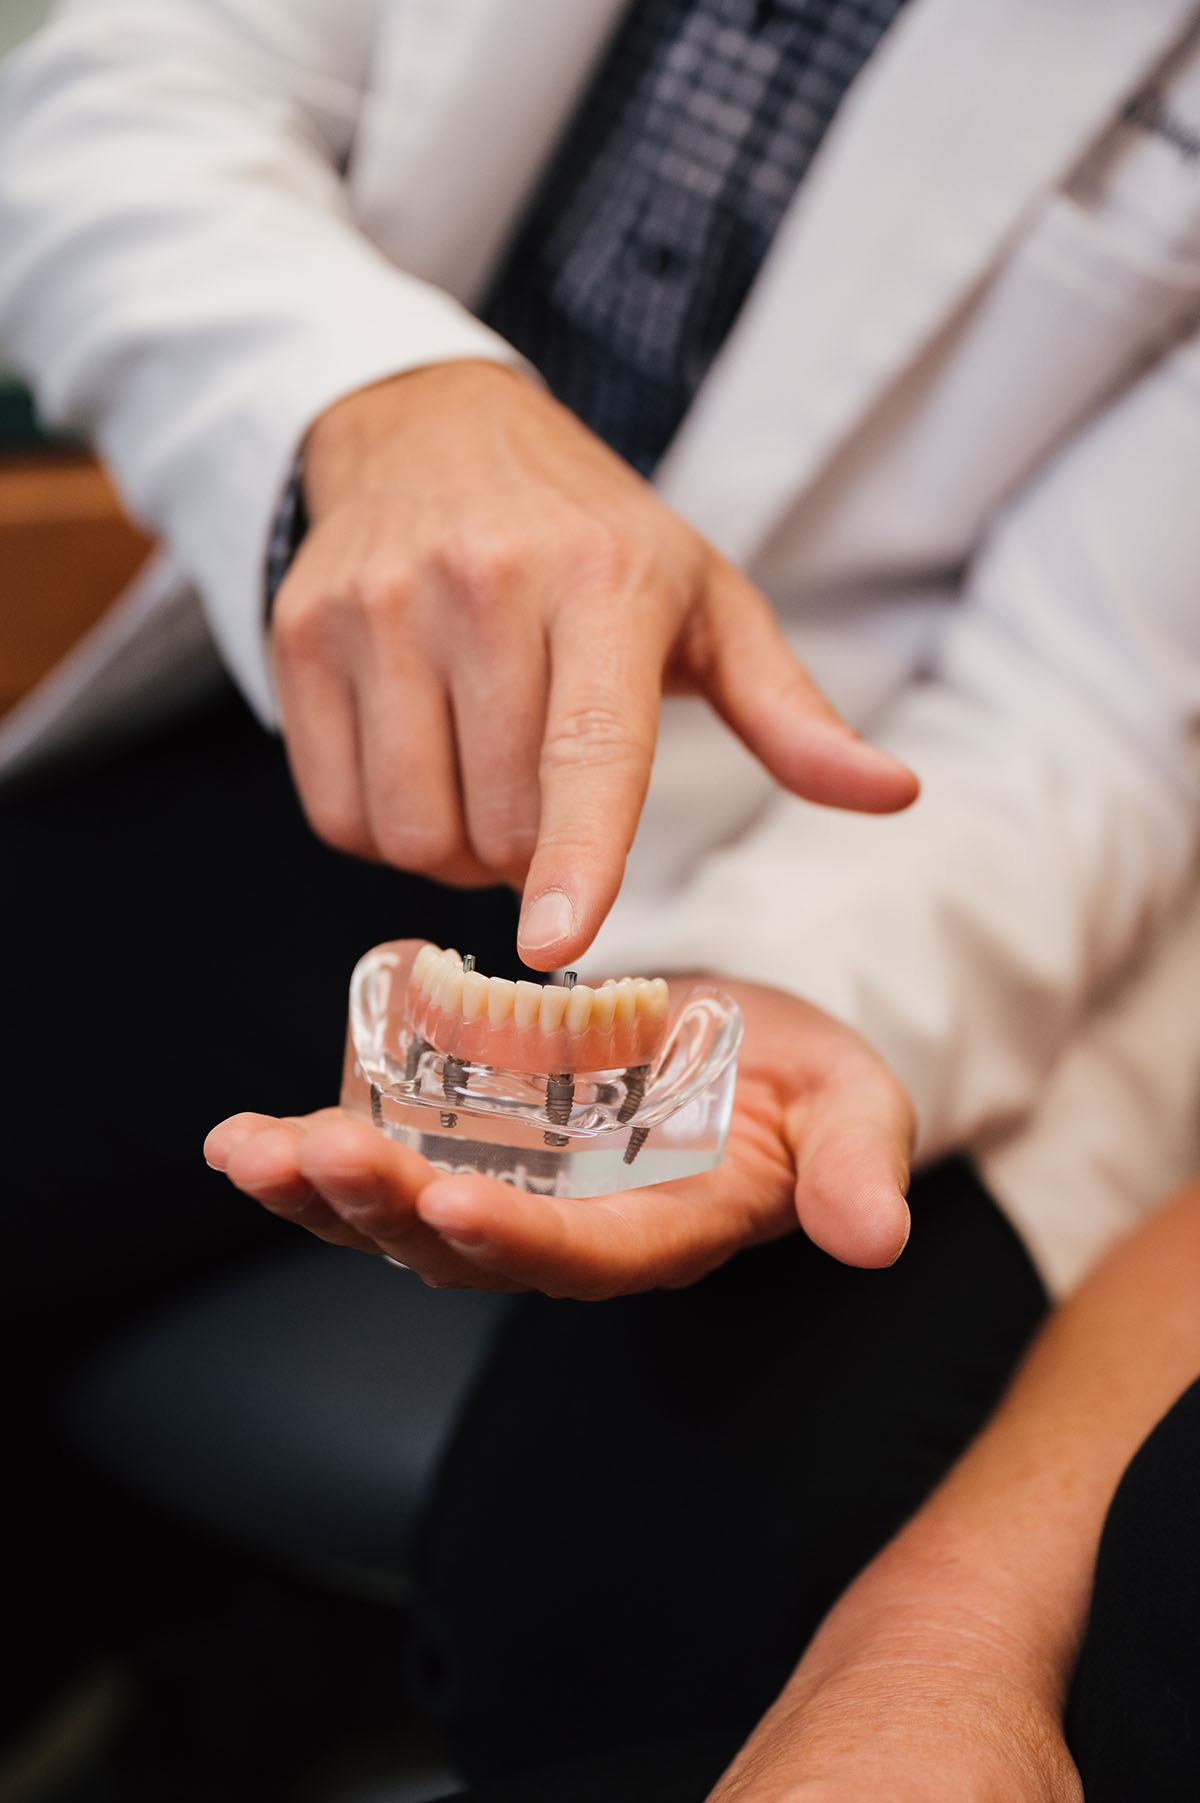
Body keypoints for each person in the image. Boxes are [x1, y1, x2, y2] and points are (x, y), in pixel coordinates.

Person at [3, 0, 1200, 1780]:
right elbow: (112, 89)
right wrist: (373, 392)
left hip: (917, 838)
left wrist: (801, 983)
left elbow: (1100, 697)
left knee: (638, 1595)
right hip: (343, 690)